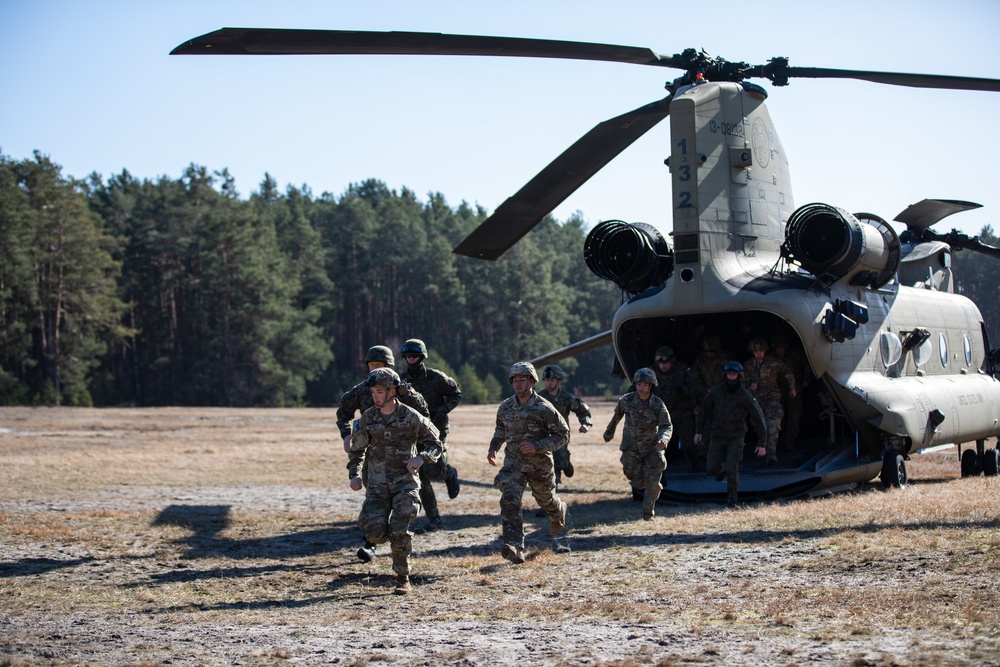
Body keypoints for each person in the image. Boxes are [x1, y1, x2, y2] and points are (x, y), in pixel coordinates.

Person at [347, 367, 442, 595]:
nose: (375, 396)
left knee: (400, 528)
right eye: (373, 392)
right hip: (378, 485)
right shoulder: (368, 418)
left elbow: (436, 443)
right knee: (374, 533)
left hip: (405, 483)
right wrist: (355, 474)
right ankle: (380, 530)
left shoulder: (410, 416)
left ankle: (402, 578)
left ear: (392, 392)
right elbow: (357, 450)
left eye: (380, 391)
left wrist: (421, 458)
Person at [336, 345, 430, 563]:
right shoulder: (361, 390)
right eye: (371, 365)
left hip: (404, 453)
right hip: (374, 450)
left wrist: (409, 395)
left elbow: (424, 413)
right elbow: (343, 412)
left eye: (380, 365)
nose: (374, 369)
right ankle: (371, 543)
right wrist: (346, 434)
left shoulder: (402, 389)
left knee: (406, 494)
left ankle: (404, 529)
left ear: (390, 367)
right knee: (375, 497)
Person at [487, 361, 570, 564]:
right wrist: (493, 449)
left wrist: (538, 446)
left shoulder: (543, 407)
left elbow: (563, 434)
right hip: (513, 464)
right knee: (509, 498)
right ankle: (515, 547)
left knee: (545, 500)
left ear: (532, 381)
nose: (518, 384)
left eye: (522, 380)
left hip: (539, 466)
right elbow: (500, 430)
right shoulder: (506, 407)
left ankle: (558, 510)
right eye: (515, 380)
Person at [399, 338, 462, 532]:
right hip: (414, 432)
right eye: (408, 356)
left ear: (422, 357)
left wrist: (443, 409)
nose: (411, 359)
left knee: (433, 470)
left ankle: (449, 473)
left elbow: (456, 394)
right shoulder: (401, 381)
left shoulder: (437, 378)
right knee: (421, 473)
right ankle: (435, 519)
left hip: (436, 430)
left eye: (415, 355)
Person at [603, 368, 673, 521]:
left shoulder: (657, 404)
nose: (641, 387)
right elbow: (616, 417)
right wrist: (609, 432)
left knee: (653, 481)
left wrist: (663, 440)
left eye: (645, 385)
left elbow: (666, 425)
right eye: (639, 384)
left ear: (651, 386)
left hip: (652, 448)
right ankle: (644, 485)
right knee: (635, 479)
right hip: (631, 448)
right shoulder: (626, 400)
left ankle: (648, 512)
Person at [694, 361, 767, 507]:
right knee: (711, 469)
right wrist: (698, 431)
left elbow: (759, 418)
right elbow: (704, 412)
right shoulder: (715, 392)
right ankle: (722, 468)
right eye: (729, 374)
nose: (731, 377)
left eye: (734, 374)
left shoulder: (745, 395)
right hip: (718, 435)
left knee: (732, 468)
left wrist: (762, 444)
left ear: (739, 376)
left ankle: (732, 501)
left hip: (736, 437)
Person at [743, 337, 796, 465]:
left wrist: (792, 387)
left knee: (773, 422)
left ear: (765, 351)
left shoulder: (774, 362)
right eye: (756, 351)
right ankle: (762, 448)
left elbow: (787, 371)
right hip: (756, 399)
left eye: (761, 351)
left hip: (772, 396)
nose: (758, 354)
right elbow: (741, 383)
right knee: (759, 425)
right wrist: (749, 387)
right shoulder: (748, 365)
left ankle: (771, 454)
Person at [537, 364, 592, 485]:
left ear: (559, 381)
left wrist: (585, 424)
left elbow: (582, 410)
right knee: (547, 461)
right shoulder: (538, 398)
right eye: (546, 380)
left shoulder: (567, 398)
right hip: (544, 436)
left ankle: (565, 463)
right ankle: (553, 484)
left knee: (560, 459)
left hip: (561, 435)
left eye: (551, 380)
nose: (549, 383)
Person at [652, 346, 705, 470]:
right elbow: (637, 386)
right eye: (660, 363)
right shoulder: (651, 372)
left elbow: (699, 385)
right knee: (663, 445)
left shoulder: (683, 370)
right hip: (663, 415)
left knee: (688, 445)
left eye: (666, 363)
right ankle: (665, 470)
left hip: (683, 414)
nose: (663, 366)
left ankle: (695, 468)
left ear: (672, 361)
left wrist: (684, 391)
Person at [770, 334, 810, 452]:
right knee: (778, 415)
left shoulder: (795, 354)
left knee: (794, 415)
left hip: (794, 388)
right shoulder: (771, 357)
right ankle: (778, 441)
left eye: (782, 347)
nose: (780, 350)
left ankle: (790, 440)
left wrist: (806, 378)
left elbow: (806, 364)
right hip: (777, 389)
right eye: (778, 348)